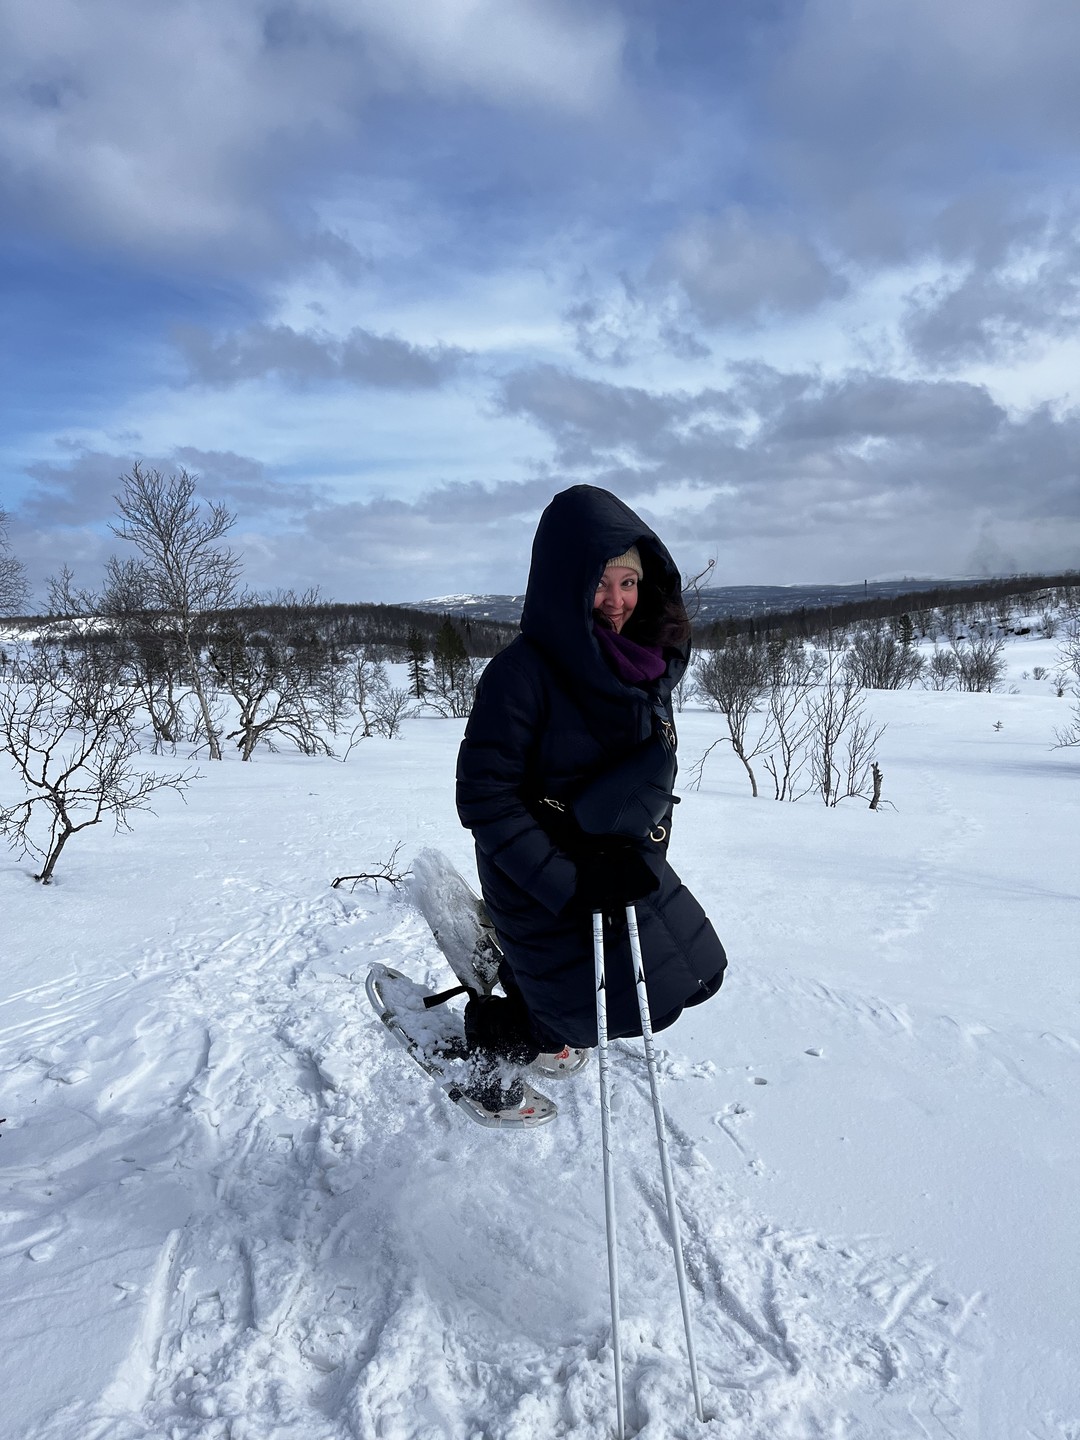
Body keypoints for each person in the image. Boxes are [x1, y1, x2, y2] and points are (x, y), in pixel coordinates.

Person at [455, 484, 727, 1117]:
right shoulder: (521, 675)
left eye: (629, 583)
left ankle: (528, 1000)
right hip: (540, 874)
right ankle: (488, 1051)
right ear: (563, 583)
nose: (616, 603)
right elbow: (484, 797)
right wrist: (569, 882)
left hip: (616, 863)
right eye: (600, 584)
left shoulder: (645, 662)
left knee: (684, 970)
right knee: (584, 1003)